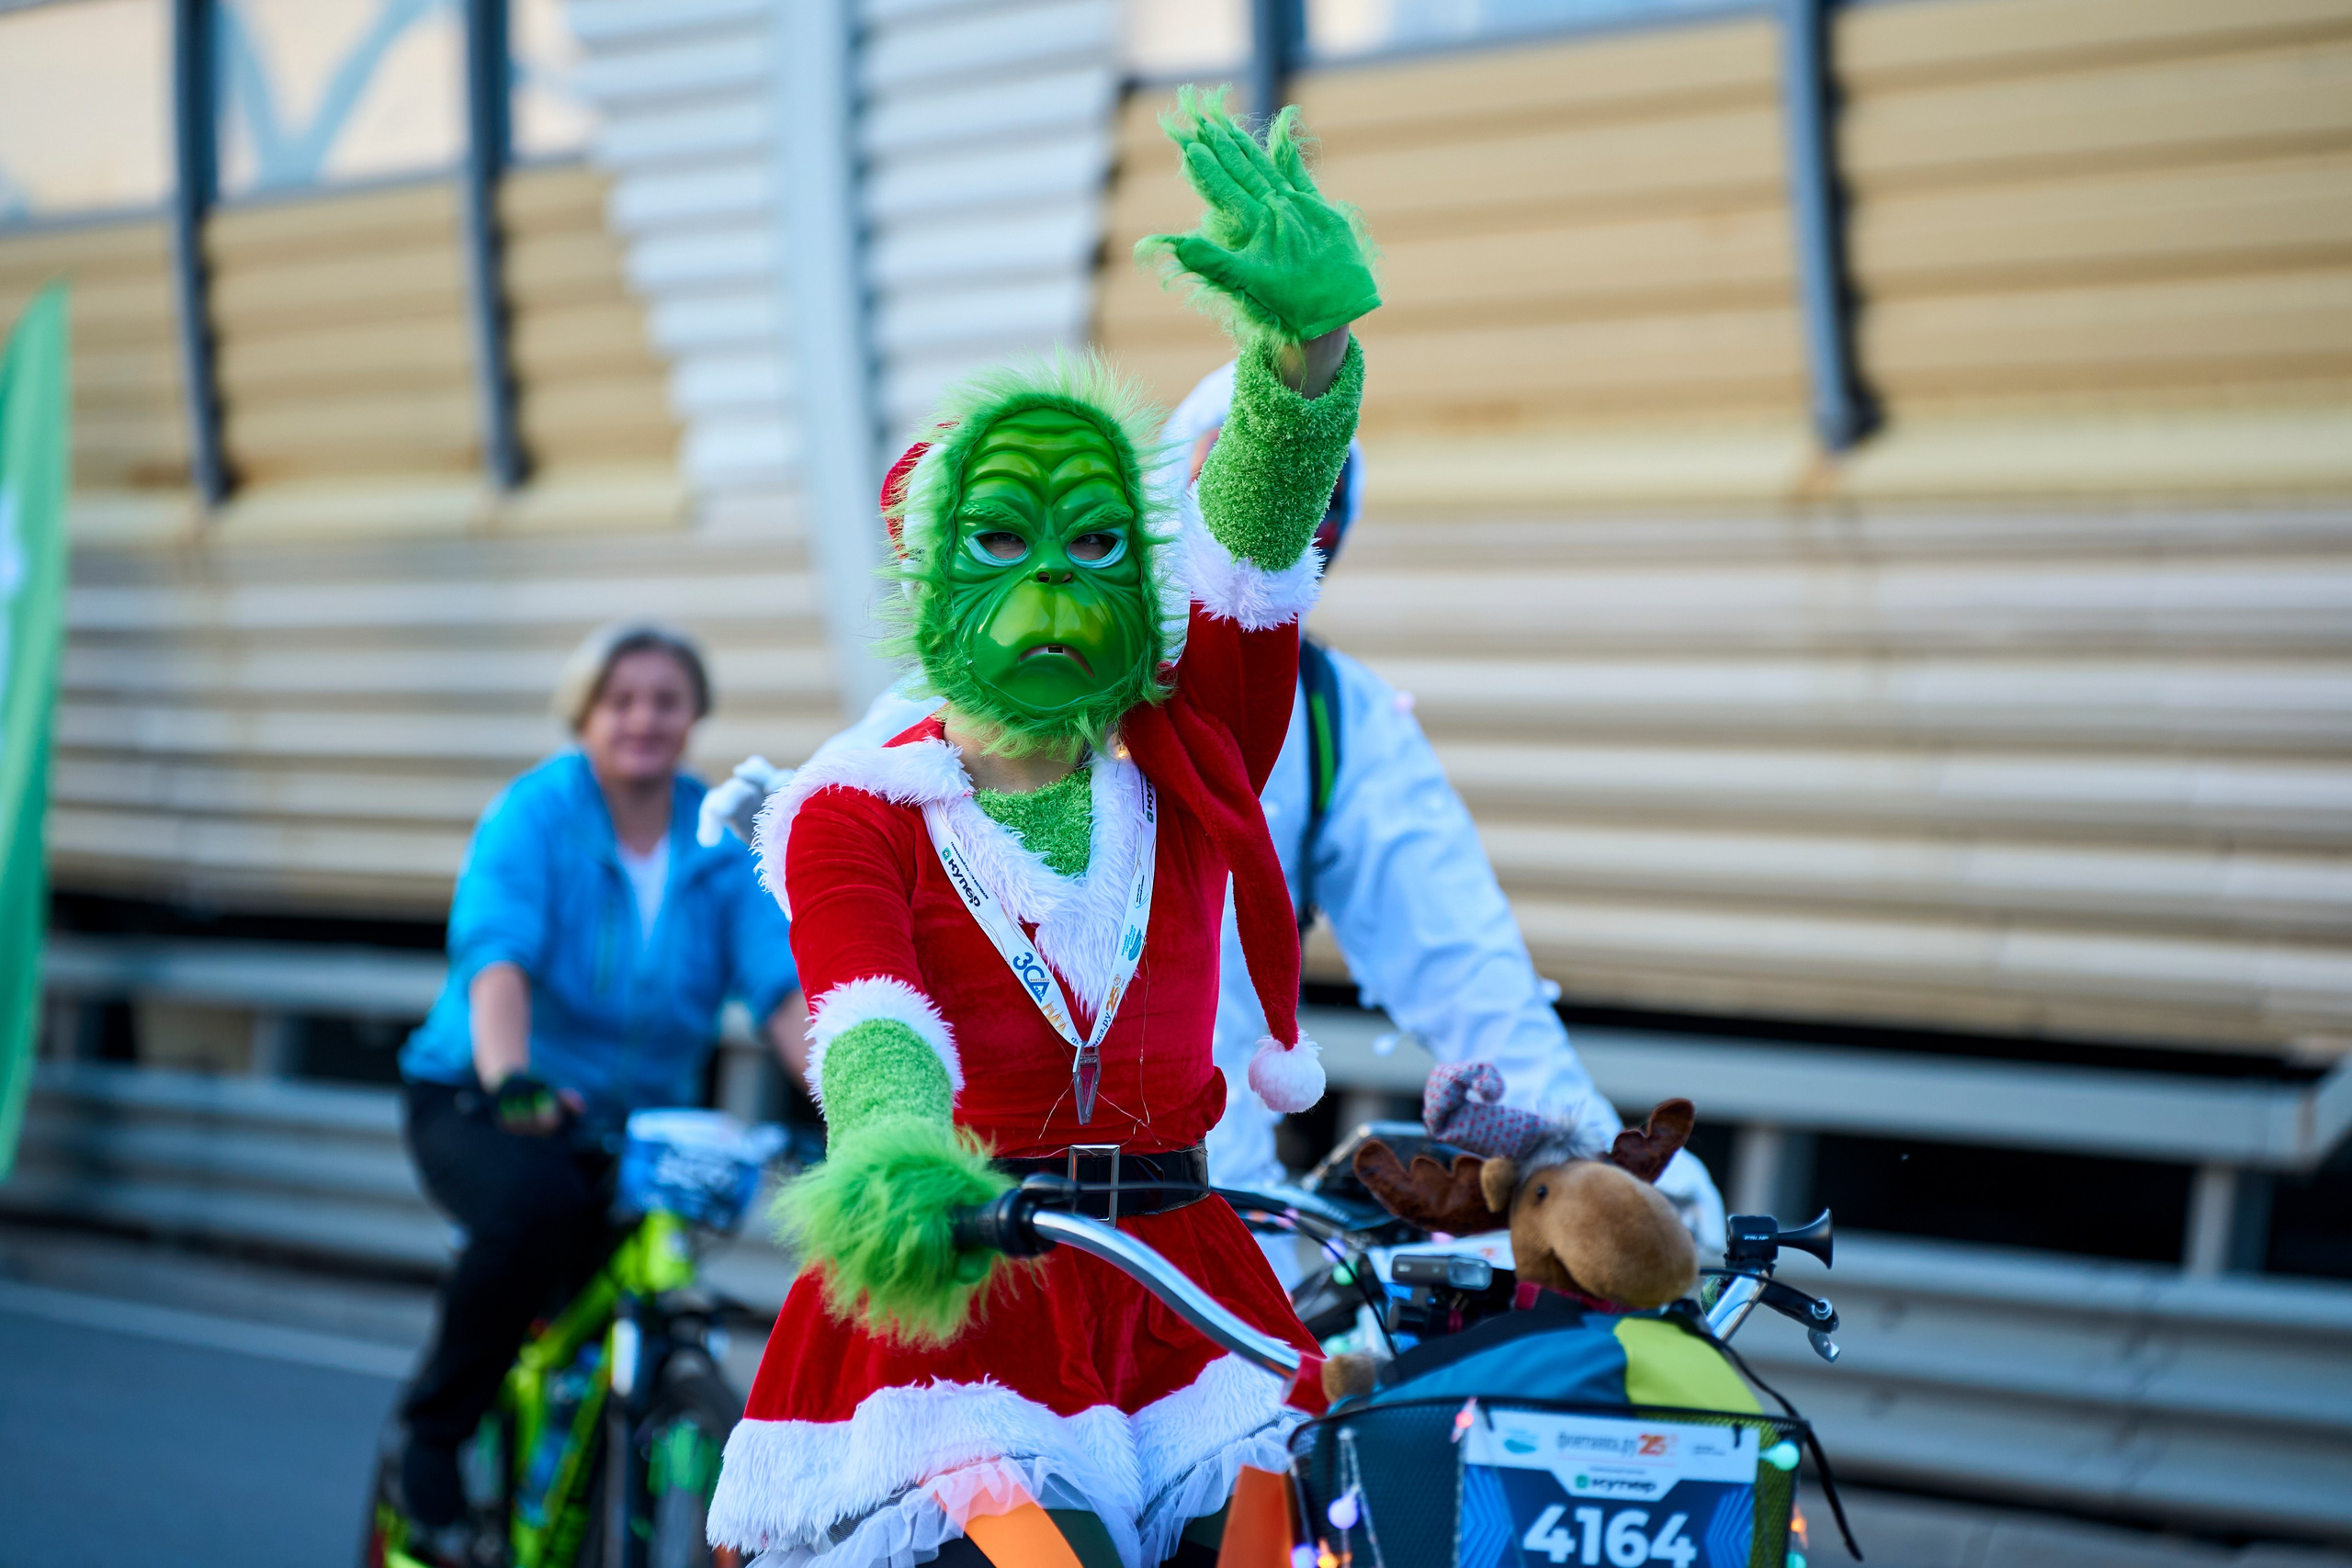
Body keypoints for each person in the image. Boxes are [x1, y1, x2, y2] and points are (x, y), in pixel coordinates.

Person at [707, 89, 1377, 1568]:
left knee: (1288, 1549)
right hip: (971, 1283)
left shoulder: (1188, 751)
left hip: (1184, 1288)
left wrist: (1302, 362)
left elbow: (1253, 559)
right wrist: (891, 1149)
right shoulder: (851, 810)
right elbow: (871, 1020)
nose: (1055, 585)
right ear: (932, 578)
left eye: (1094, 541)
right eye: (1003, 541)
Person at [715, 373, 1726, 1257]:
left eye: (1322, 496)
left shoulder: (1339, 716)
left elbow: (1461, 958)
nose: (1288, 517)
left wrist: (1589, 1152)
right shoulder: (1022, 672)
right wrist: (898, 1153)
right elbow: (878, 843)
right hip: (1002, 1218)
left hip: (1213, 1206)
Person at [392, 621, 804, 1553]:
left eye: (665, 700)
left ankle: (611, 1432)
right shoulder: (536, 814)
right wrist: (511, 1079)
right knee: (531, 1214)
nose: (644, 719)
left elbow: (780, 994)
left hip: (630, 1121)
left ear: (695, 712)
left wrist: (856, 1103)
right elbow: (498, 956)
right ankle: (434, 1436)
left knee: (647, 1268)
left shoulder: (713, 840)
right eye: (621, 700)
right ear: (585, 714)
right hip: (482, 1092)